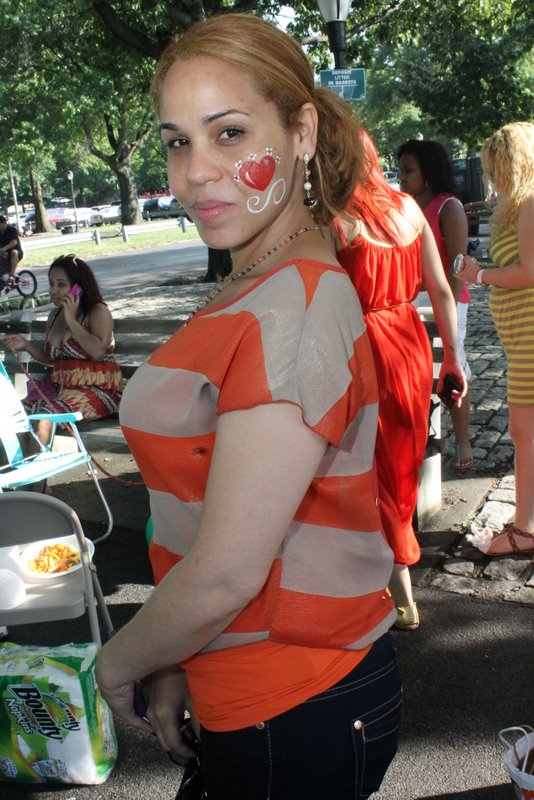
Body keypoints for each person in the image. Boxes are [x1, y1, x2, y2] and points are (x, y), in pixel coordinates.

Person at [94, 13, 402, 800]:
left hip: (293, 704)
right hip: (262, 694)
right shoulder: (266, 276)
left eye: (229, 133)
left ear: (301, 132)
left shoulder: (293, 302)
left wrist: (118, 661)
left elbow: (227, 573)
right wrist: (177, 655)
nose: (194, 173)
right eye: (177, 141)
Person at [334, 130, 466, 631]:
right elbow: (442, 290)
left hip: (360, 346)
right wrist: (452, 359)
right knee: (399, 465)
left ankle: (398, 592)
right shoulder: (410, 209)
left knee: (374, 469)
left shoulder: (334, 219)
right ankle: (392, 579)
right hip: (409, 344)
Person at [456, 121, 534, 556]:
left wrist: (480, 275)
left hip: (531, 338)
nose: (492, 175)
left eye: (496, 165)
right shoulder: (520, 204)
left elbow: (531, 272)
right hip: (522, 338)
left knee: (524, 431)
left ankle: (525, 532)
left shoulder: (530, 203)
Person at [397, 139, 472, 470]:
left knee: (453, 370)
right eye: (401, 170)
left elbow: (458, 267)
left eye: (408, 170)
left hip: (448, 301)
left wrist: (448, 312)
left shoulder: (448, 206)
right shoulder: (407, 206)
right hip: (414, 300)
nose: (401, 178)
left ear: (427, 171)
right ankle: (424, 434)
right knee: (419, 371)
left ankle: (462, 439)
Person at [4, 254, 123, 446]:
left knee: (44, 419)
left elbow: (97, 351)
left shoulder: (97, 311)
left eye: (61, 285)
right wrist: (25, 345)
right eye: (52, 284)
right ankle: (22, 464)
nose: (53, 290)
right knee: (16, 416)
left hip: (96, 391)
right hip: (60, 389)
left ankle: (36, 465)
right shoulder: (54, 315)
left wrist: (71, 320)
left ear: (78, 287)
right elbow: (52, 360)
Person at [0, 214, 23, 282]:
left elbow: (14, 242)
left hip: (17, 253)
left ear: (4, 222)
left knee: (13, 252)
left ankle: (12, 275)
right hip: (5, 254)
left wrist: (4, 248)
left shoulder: (12, 229)